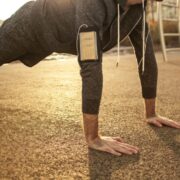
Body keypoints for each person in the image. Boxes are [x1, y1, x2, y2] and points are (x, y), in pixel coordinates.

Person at [0, 0, 179, 156]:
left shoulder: (138, 8)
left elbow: (145, 55)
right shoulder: (92, 3)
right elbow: (90, 62)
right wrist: (93, 137)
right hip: (31, 23)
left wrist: (151, 113)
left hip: (58, 36)